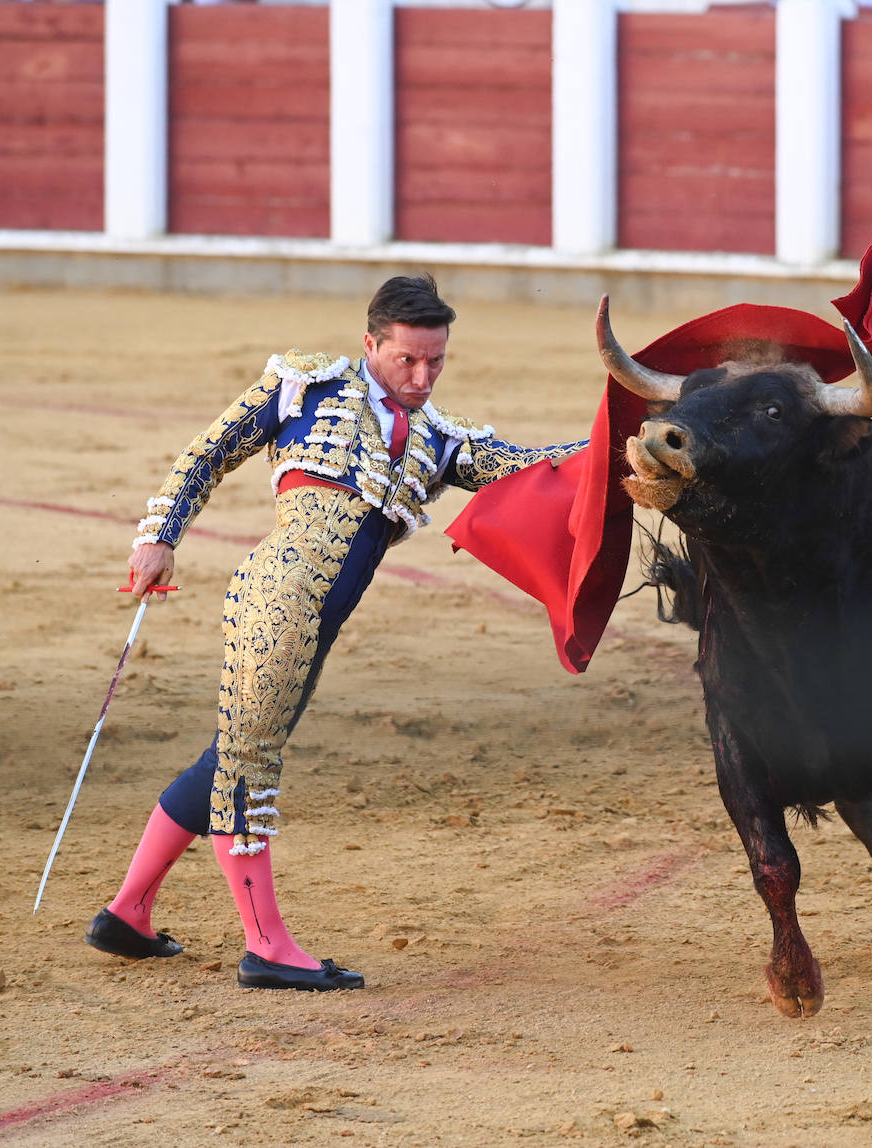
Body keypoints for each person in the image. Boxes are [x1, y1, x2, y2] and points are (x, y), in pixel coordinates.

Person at [84, 274, 582, 990]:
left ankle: (128, 911)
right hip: (277, 598)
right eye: (406, 360)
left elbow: (526, 467)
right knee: (248, 764)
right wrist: (158, 534)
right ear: (370, 343)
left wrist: (619, 442)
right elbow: (209, 451)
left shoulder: (438, 439)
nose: (422, 377)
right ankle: (266, 947)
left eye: (436, 361)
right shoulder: (303, 389)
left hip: (318, 621)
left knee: (229, 754)